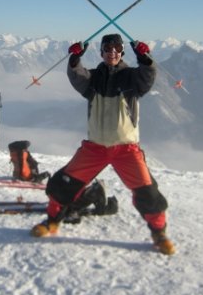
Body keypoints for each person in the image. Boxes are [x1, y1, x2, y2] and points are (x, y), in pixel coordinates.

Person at [30, 33, 175, 255]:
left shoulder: (132, 78)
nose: (113, 52)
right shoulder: (93, 79)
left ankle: (159, 233)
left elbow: (148, 75)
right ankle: (52, 221)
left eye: (117, 48)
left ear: (122, 51)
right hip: (94, 147)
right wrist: (75, 59)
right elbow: (77, 76)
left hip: (126, 148)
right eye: (108, 49)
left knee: (148, 192)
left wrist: (144, 57)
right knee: (63, 184)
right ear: (102, 52)